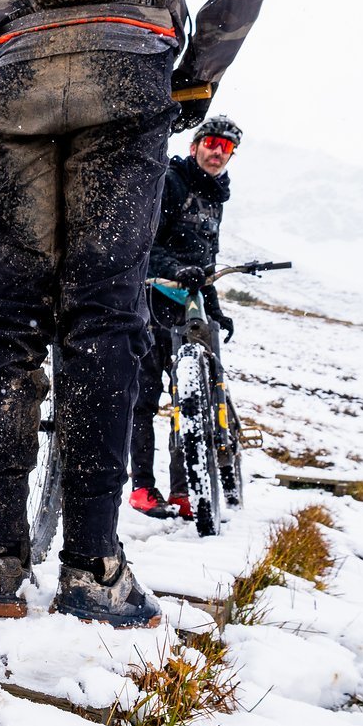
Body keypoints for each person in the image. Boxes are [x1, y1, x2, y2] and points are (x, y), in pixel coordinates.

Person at [0, 0, 271, 626]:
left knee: (11, 322)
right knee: (102, 317)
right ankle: (91, 567)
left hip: (22, 54)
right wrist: (201, 68)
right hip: (130, 51)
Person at [128, 115, 242, 520]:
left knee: (189, 403)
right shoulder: (172, 182)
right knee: (144, 400)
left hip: (191, 312)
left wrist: (216, 310)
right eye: (211, 142)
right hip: (153, 304)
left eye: (226, 148)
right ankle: (142, 487)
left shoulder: (215, 199)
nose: (217, 151)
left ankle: (183, 492)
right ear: (195, 146)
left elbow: (204, 265)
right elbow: (147, 241)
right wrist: (175, 270)